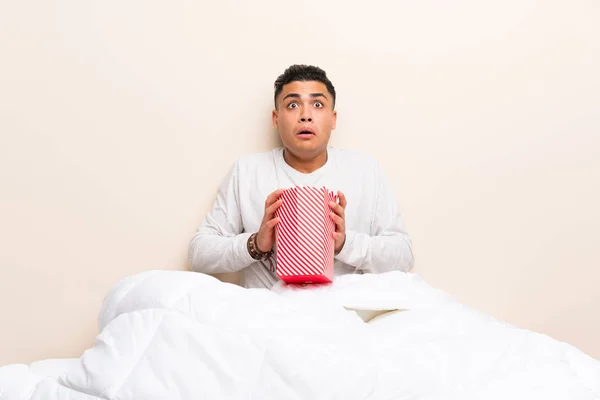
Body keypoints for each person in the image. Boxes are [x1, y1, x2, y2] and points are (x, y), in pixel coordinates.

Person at [188, 64, 414, 289]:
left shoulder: (364, 170)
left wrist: (344, 244)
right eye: (293, 105)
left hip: (341, 315)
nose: (305, 116)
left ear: (333, 119)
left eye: (317, 104)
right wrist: (256, 244)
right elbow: (199, 254)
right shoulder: (247, 171)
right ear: (276, 119)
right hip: (267, 315)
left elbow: (403, 256)